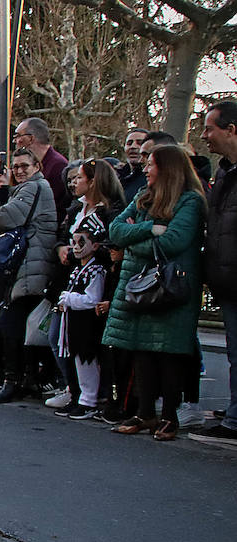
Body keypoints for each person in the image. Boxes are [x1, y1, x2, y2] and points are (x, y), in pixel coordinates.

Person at [102, 144, 206, 441]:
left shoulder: (190, 201)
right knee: (141, 350)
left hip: (172, 286)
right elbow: (116, 230)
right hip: (140, 285)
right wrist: (152, 228)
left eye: (151, 164)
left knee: (169, 351)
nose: (145, 169)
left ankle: (169, 416)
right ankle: (145, 412)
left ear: (169, 169)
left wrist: (136, 239)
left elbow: (173, 241)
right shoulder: (142, 196)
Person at [0, 148, 58, 403]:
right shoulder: (32, 188)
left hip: (31, 267)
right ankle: (27, 378)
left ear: (37, 166)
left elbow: (6, 217)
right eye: (15, 166)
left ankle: (14, 380)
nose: (18, 170)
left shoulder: (34, 188)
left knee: (11, 324)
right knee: (22, 326)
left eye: (24, 166)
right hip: (30, 266)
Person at [194, 101, 237, 444]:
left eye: (210, 128)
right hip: (226, 276)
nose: (205, 136)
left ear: (231, 129)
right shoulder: (224, 172)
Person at [52, 215, 110, 419]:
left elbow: (92, 299)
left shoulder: (96, 270)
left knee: (87, 362)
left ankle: (89, 400)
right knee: (77, 361)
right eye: (74, 242)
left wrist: (69, 298)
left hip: (86, 324)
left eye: (81, 242)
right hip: (73, 323)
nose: (76, 247)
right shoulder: (77, 269)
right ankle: (79, 397)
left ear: (95, 246)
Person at [14, 116, 69, 222]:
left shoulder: (58, 166)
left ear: (31, 138)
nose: (16, 141)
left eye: (18, 136)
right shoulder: (37, 164)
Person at [119, 128, 150, 205]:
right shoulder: (117, 176)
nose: (133, 146)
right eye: (129, 143)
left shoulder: (152, 179)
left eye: (140, 143)